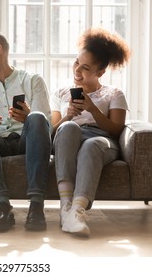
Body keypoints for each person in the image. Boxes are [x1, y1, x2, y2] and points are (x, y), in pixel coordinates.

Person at [50, 28, 131, 237]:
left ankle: (77, 211)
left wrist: (92, 109)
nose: (77, 70)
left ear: (100, 72)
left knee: (91, 144)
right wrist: (68, 116)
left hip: (101, 141)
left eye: (85, 67)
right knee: (68, 127)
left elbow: (117, 128)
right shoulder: (60, 93)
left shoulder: (114, 93)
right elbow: (52, 132)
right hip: (70, 137)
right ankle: (66, 207)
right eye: (77, 62)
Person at [0, 31, 52, 232]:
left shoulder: (32, 80)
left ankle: (36, 206)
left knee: (37, 117)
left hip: (27, 141)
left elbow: (46, 125)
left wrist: (28, 116)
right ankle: (2, 206)